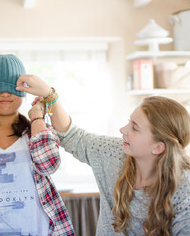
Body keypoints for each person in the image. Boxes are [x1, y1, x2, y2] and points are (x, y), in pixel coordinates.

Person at [16, 74, 190, 236]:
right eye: (129, 122)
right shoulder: (114, 153)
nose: (123, 130)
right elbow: (72, 136)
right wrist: (49, 94)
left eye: (135, 128)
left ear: (158, 147)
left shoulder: (184, 190)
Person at [0, 53, 75, 236]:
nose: (5, 93)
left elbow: (48, 164)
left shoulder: (40, 131)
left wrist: (37, 116)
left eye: (12, 86)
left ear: (24, 90)